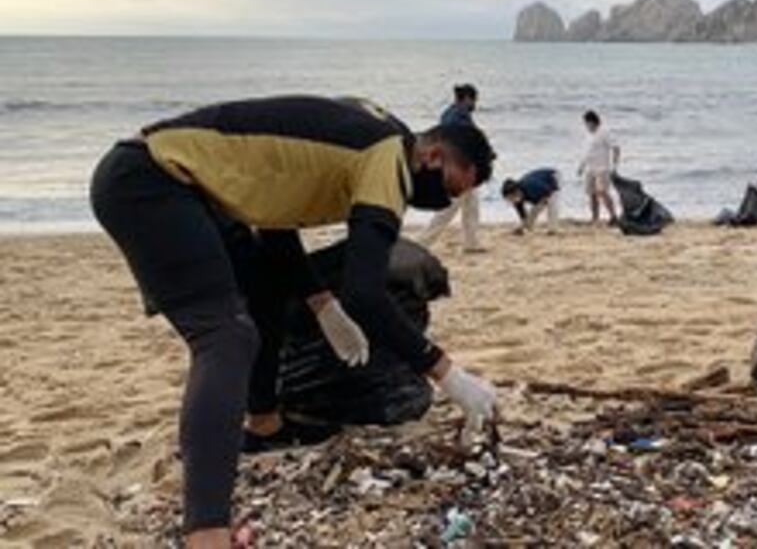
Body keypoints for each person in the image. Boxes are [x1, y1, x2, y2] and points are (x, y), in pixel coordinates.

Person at [90, 95, 500, 548]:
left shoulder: (377, 132)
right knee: (225, 337)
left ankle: (264, 426)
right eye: (451, 187)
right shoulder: (389, 159)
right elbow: (365, 293)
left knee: (265, 291)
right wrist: (449, 374)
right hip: (153, 181)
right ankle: (206, 536)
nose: (444, 199)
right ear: (433, 156)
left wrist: (322, 303)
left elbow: (273, 215)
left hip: (194, 188)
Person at [415, 84, 485, 252]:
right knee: (449, 208)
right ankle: (422, 243)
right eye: (474, 100)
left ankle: (471, 243)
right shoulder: (458, 116)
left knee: (471, 205)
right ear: (467, 98)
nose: (475, 104)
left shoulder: (451, 113)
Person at [577, 110, 619, 225]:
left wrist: (615, 165)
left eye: (587, 123)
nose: (586, 126)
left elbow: (616, 148)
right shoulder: (588, 135)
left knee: (602, 192)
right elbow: (586, 153)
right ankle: (595, 218)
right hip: (590, 169)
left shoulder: (604, 133)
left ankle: (613, 216)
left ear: (593, 122)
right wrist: (581, 166)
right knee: (591, 194)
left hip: (602, 168)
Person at [501, 168, 560, 234]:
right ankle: (528, 227)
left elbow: (549, 191)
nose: (511, 201)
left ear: (517, 192)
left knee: (552, 203)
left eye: (511, 198)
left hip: (552, 178)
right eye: (509, 199)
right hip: (540, 189)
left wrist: (545, 201)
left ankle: (553, 229)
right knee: (534, 210)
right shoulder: (516, 199)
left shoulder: (530, 186)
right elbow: (523, 215)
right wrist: (523, 224)